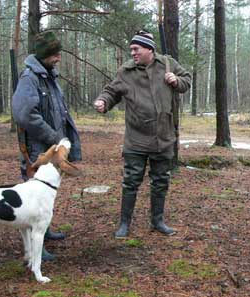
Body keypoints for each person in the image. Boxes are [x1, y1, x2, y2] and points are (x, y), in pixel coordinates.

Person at [94, 30, 191, 238]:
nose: (133, 52)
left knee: (161, 180)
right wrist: (103, 101)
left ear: (149, 49)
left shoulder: (168, 64)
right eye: (131, 49)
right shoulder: (126, 71)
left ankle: (157, 221)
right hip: (136, 138)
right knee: (131, 181)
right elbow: (112, 91)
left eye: (136, 49)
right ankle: (124, 224)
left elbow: (186, 81)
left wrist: (176, 80)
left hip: (163, 136)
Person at [12, 31, 82, 260]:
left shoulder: (48, 76)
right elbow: (24, 114)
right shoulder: (29, 78)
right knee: (32, 201)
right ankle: (35, 251)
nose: (58, 58)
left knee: (44, 196)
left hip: (50, 146)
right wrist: (53, 136)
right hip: (37, 149)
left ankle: (46, 230)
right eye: (54, 54)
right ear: (44, 55)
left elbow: (57, 110)